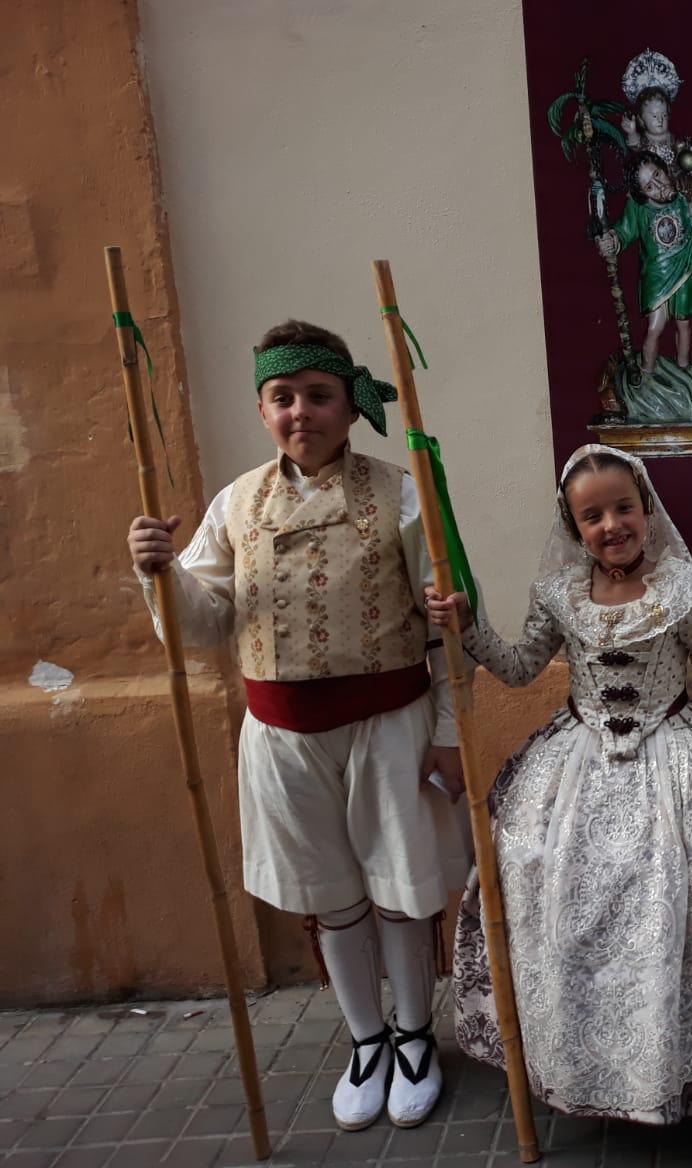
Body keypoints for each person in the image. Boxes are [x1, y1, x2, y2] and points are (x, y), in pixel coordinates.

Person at [125, 319, 469, 1132]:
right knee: (331, 897)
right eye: (282, 397)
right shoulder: (235, 503)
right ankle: (366, 1040)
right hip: (281, 739)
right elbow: (204, 622)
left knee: (401, 891)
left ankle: (416, 1036)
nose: (300, 412)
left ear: (350, 406)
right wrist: (160, 573)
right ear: (262, 408)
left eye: (318, 395)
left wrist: (450, 731)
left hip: (391, 726)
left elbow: (446, 621)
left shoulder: (402, 489)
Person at [433, 444, 692, 1123]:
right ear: (573, 526)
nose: (611, 525)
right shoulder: (558, 594)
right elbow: (523, 665)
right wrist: (469, 629)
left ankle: (673, 1065)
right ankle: (578, 1056)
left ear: (646, 509)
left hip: (672, 754)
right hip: (577, 759)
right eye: (592, 516)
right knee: (531, 857)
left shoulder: (683, 588)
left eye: (622, 508)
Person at [597, 152, 692, 376]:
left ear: (665, 169)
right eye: (649, 187)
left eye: (658, 175)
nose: (658, 185)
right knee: (655, 327)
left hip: (685, 271)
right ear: (642, 194)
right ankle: (646, 372)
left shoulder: (684, 199)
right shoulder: (638, 208)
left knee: (683, 325)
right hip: (656, 277)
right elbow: (623, 232)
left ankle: (684, 369)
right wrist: (611, 241)